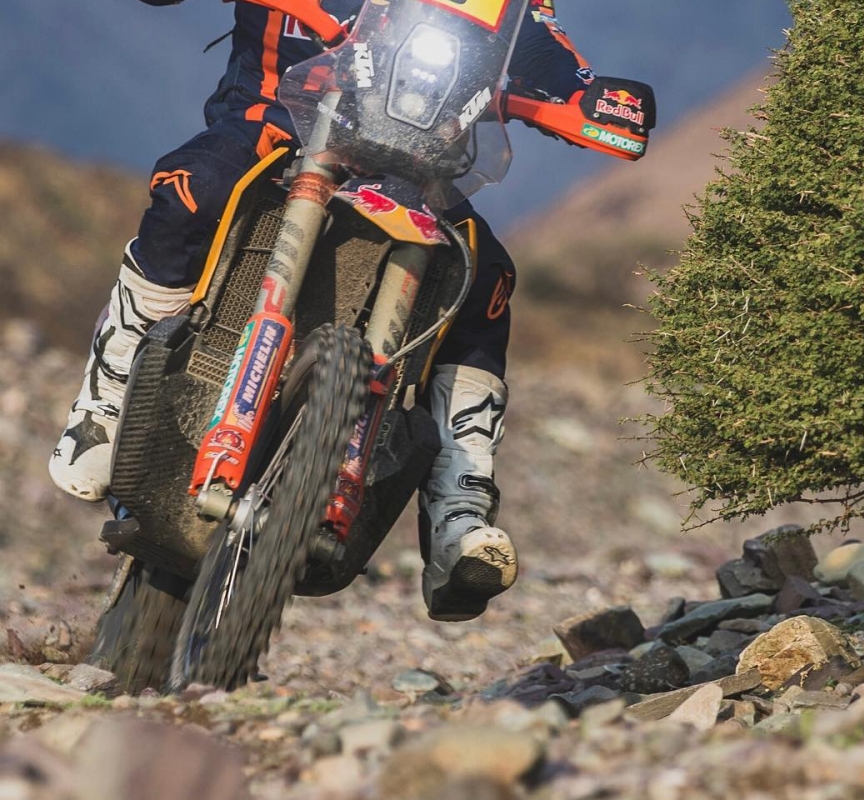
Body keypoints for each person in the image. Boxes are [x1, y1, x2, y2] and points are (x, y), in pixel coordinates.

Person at [49, 0, 597, 621]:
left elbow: (537, 37)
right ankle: (107, 401)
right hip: (277, 119)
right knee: (195, 190)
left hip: (419, 161)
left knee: (484, 277)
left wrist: (591, 98)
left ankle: (459, 511)